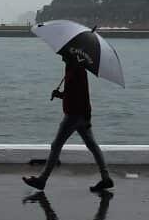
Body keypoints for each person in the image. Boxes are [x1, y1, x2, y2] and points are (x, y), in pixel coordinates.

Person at [23, 53, 113, 192]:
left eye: (64, 55)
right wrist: (59, 95)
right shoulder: (71, 68)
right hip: (79, 115)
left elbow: (84, 95)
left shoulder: (78, 70)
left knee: (56, 145)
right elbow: (71, 94)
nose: (61, 57)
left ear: (70, 56)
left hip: (74, 116)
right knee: (93, 146)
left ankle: (42, 180)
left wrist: (87, 117)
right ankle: (106, 179)